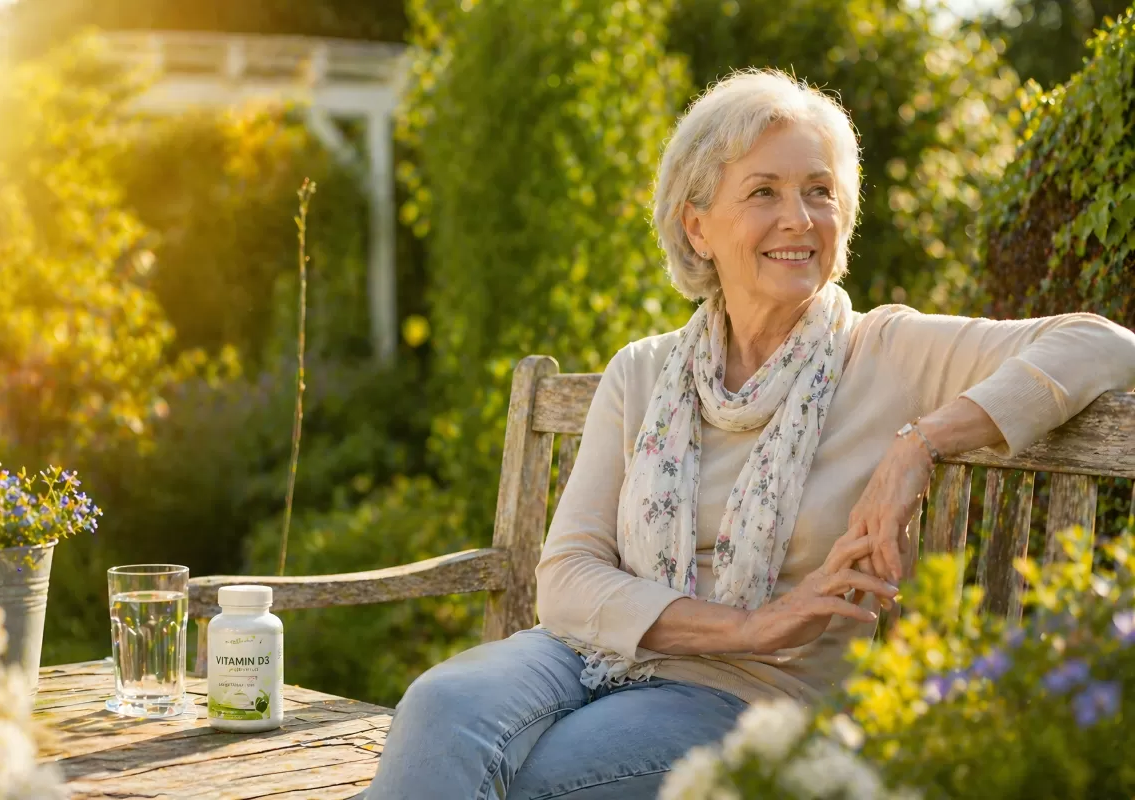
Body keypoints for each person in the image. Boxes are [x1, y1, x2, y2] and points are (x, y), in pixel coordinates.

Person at [362, 68, 1135, 799]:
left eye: (819, 192)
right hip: (592, 655)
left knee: (536, 778)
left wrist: (919, 444)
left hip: (760, 696)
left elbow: (1105, 344)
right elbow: (566, 575)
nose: (798, 219)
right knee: (438, 707)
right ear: (697, 227)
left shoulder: (886, 351)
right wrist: (749, 624)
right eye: (764, 191)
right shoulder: (645, 372)